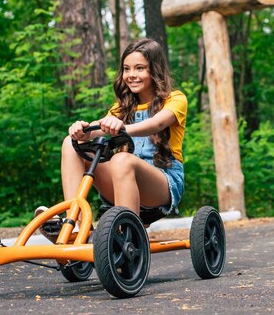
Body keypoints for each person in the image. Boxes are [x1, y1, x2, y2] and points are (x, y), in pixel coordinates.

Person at [37, 38, 187, 241]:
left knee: (122, 159)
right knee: (71, 144)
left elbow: (157, 124)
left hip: (162, 184)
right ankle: (76, 225)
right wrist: (83, 131)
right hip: (120, 183)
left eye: (140, 68)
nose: (131, 75)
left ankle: (126, 237)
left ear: (155, 70)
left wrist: (124, 127)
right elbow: (98, 129)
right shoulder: (122, 108)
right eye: (126, 69)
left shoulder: (175, 99)